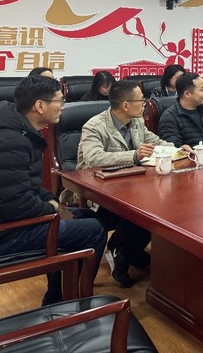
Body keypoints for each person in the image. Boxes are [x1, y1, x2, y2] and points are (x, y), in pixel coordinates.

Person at [0, 76, 106, 305]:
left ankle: (58, 296)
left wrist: (51, 200)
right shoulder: (11, 141)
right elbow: (16, 204)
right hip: (8, 234)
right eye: (59, 101)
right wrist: (51, 208)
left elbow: (26, 185)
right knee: (93, 229)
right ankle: (69, 302)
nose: (63, 106)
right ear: (40, 106)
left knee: (87, 215)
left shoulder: (20, 129)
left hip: (13, 218)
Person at [77, 80, 190, 287]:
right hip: (101, 188)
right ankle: (123, 249)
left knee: (160, 204)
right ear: (125, 105)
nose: (145, 104)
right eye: (141, 100)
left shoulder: (137, 121)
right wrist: (133, 155)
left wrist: (177, 149)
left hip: (134, 183)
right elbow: (93, 159)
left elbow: (154, 141)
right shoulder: (94, 126)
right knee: (145, 207)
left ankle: (124, 250)